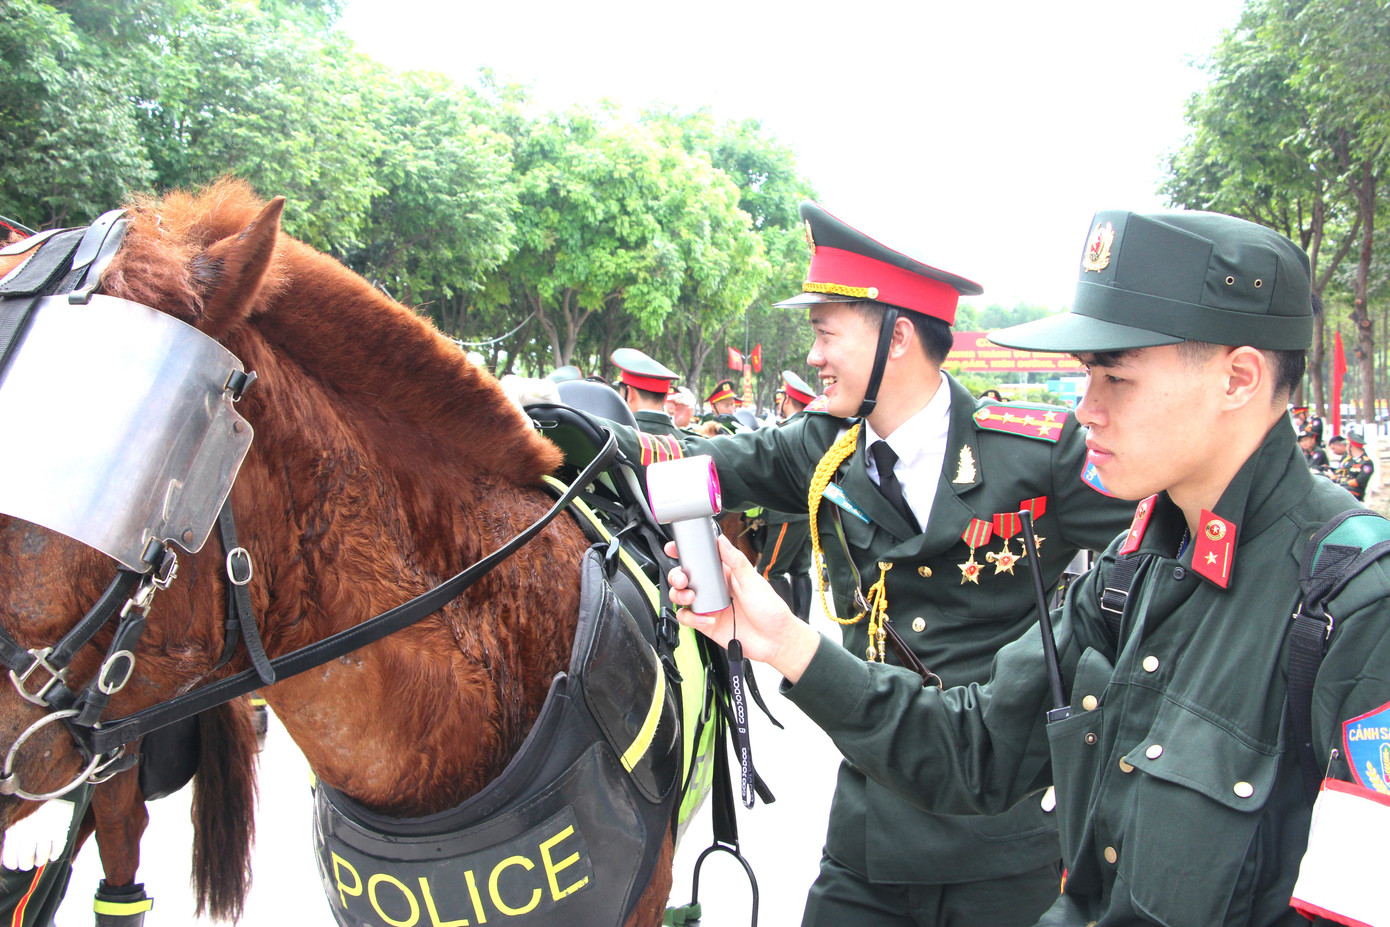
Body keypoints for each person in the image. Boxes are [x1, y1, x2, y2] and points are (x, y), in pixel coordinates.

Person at [670, 208, 1390, 926]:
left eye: (1117, 378)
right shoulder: (1130, 569)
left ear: (1238, 377)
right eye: (1085, 375)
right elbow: (976, 748)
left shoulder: (1354, 606)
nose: (1086, 410)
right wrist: (781, 640)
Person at [544, 201, 1135, 927]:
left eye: (827, 333)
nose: (814, 354)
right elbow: (693, 461)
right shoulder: (823, 449)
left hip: (1007, 842)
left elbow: (1153, 563)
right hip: (873, 832)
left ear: (900, 336)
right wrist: (545, 429)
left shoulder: (1039, 454)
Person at [756, 370, 820, 622]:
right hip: (806, 512)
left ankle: (787, 626)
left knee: (770, 571)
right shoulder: (811, 427)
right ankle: (803, 621)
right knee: (800, 569)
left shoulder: (788, 431)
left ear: (787, 400)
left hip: (786, 513)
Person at [611, 348, 683, 437]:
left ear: (629, 394)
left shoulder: (614, 436)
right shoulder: (688, 441)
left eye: (621, 394)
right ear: (665, 398)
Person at [1334, 428, 1375, 501]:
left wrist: (1342, 485)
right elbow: (1340, 473)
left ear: (1351, 447)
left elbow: (1359, 481)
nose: (1346, 448)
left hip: (1354, 493)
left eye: (1347, 445)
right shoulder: (1349, 460)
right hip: (1343, 490)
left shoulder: (1366, 463)